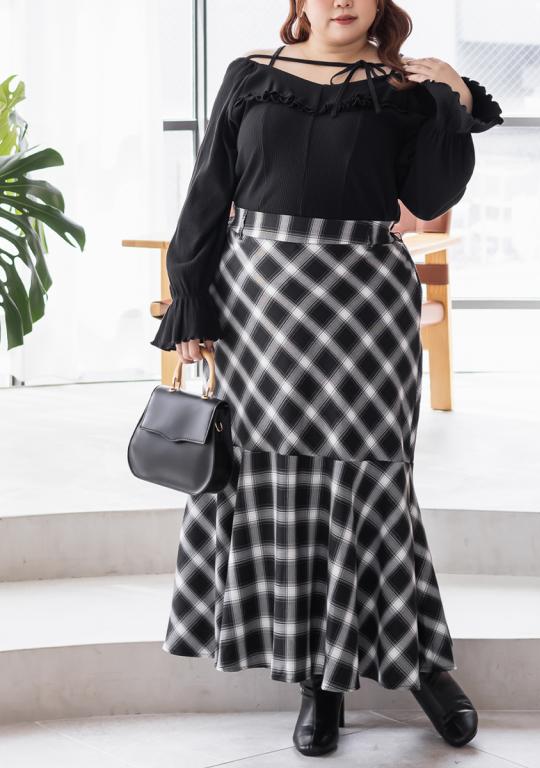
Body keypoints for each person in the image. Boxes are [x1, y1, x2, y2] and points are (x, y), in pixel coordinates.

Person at [150, 0, 503, 758]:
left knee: (373, 485)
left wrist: (453, 100)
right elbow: (209, 190)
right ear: (299, 4)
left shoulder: (406, 88)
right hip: (259, 305)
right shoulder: (251, 75)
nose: (342, 0)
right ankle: (321, 685)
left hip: (365, 304)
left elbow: (432, 198)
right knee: (274, 481)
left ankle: (421, 665)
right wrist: (191, 299)